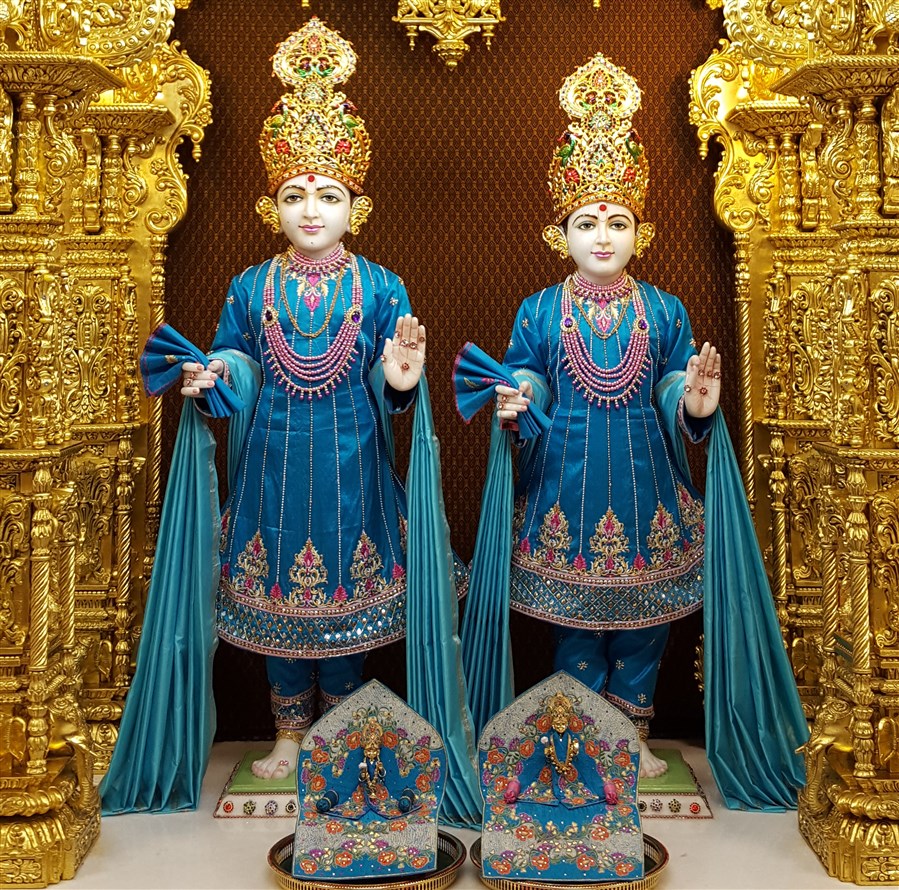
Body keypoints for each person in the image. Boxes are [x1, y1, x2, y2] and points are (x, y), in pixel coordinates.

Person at [102, 19, 480, 822]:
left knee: (345, 602)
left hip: (353, 468)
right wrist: (217, 373)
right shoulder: (250, 286)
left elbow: (392, 378)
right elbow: (237, 359)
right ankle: (287, 734)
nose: (312, 210)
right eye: (295, 196)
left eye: (329, 196)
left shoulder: (382, 286)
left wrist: (399, 381)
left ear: (357, 207)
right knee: (277, 600)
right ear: (268, 204)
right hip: (270, 467)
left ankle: (338, 730)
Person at [459, 50, 807, 803]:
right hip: (565, 489)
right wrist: (518, 393)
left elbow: (675, 379)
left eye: (617, 222)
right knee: (575, 626)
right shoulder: (539, 309)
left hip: (650, 488)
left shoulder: (664, 309)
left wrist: (696, 400)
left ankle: (634, 739)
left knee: (647, 623)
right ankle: (584, 738)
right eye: (586, 222)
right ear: (559, 233)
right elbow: (528, 371)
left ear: (639, 233)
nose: (602, 236)